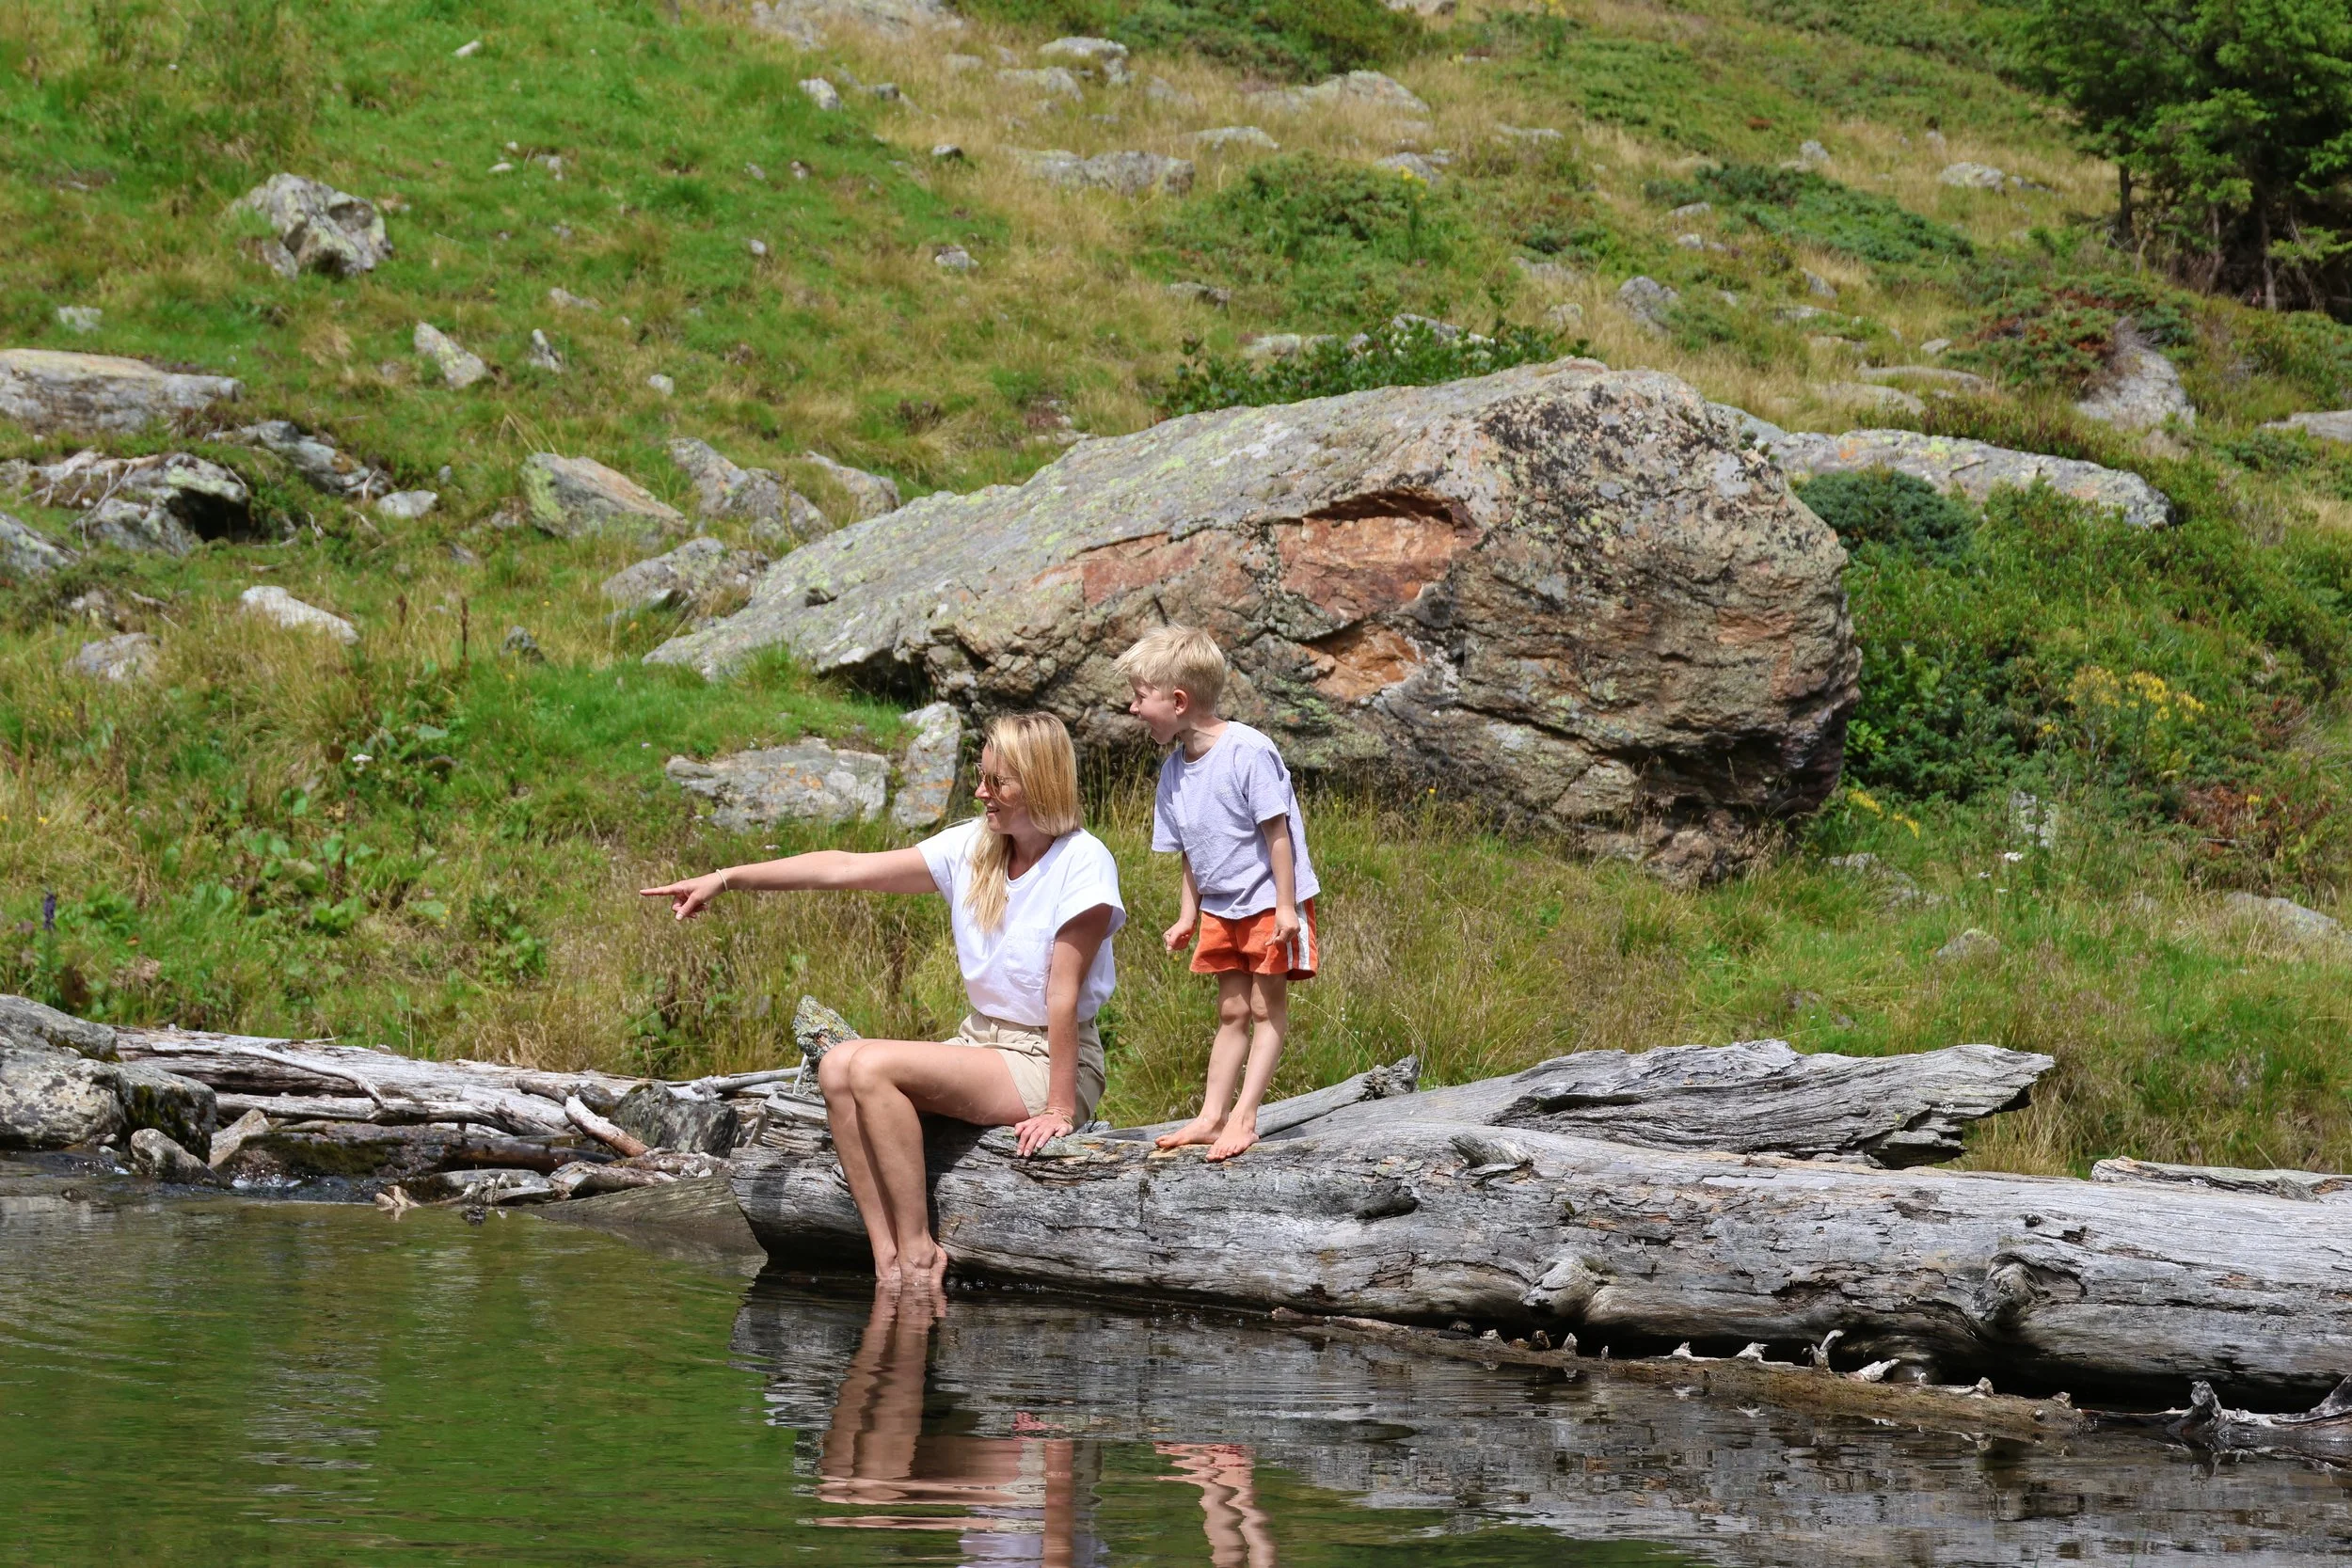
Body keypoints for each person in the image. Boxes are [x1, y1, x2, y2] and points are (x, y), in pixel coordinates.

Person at [641, 711, 1124, 1289]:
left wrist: (1060, 1110)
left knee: (869, 1064)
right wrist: (727, 878)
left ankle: (920, 1252)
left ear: (1038, 782)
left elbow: (1062, 997)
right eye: (981, 776)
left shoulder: (1082, 860)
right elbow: (845, 869)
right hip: (981, 1042)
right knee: (839, 1064)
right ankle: (887, 1258)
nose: (980, 792)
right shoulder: (975, 846)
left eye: (997, 782)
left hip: (1047, 1060)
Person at [1117, 626, 1320, 1162]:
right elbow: (1192, 850)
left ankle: (1245, 1117)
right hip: (1220, 906)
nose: (1133, 707)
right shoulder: (1173, 772)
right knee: (1231, 1010)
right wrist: (1189, 914)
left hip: (1269, 902)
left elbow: (1278, 836)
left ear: (1178, 701)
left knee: (1262, 1006)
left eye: (1141, 696)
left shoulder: (1248, 751)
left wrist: (1285, 905)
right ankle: (1211, 1116)